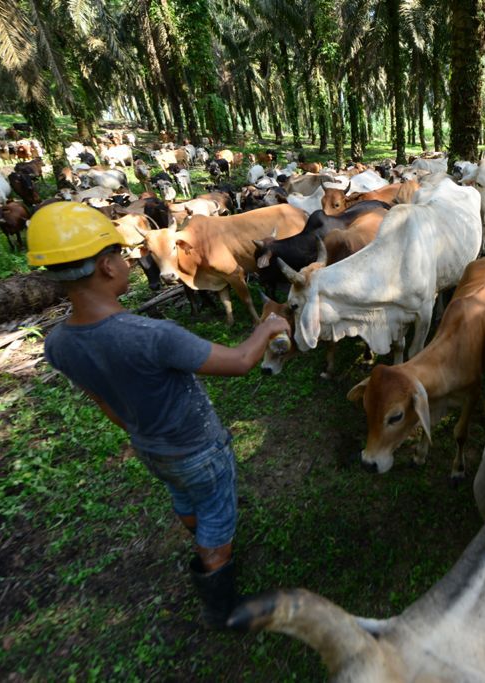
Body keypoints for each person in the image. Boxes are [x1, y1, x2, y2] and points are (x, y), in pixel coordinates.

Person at [26, 202, 289, 629]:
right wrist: (268, 325)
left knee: (185, 499)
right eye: (124, 256)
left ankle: (203, 542)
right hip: (198, 447)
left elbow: (104, 402)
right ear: (107, 266)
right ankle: (223, 605)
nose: (132, 263)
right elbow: (241, 361)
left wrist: (140, 431)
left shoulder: (57, 344)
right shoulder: (153, 336)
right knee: (217, 520)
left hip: (149, 447)